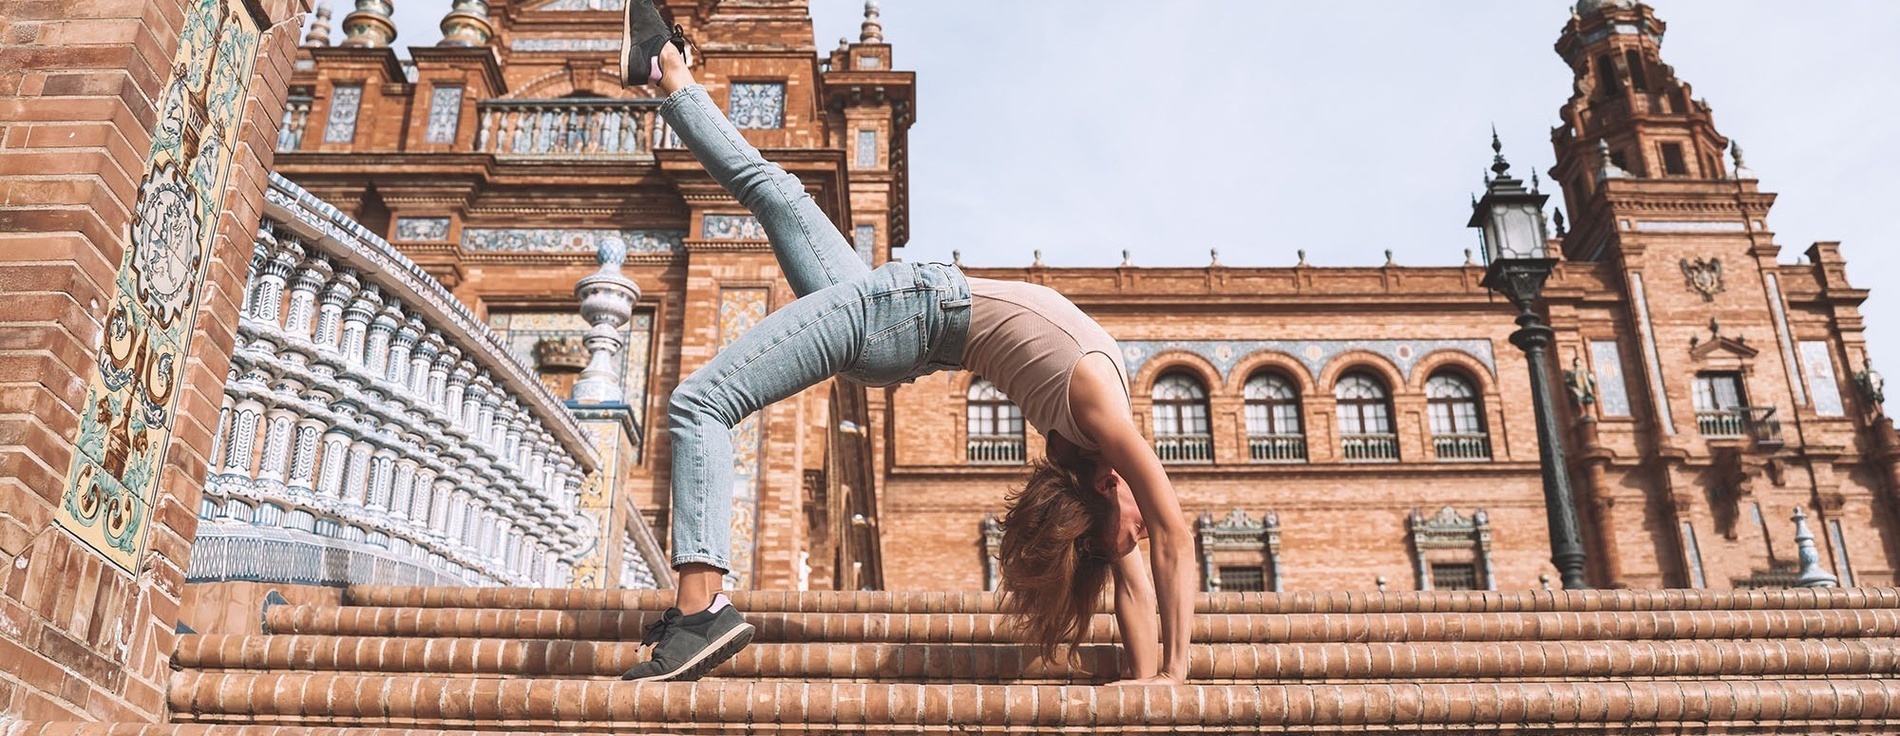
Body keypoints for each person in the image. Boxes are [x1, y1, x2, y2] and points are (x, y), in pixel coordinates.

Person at [617, 0, 1195, 685]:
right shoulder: (1098, 443)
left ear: (1102, 494)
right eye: (1133, 526)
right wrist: (1156, 677)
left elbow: (1171, 540)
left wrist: (1175, 679)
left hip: (903, 313)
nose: (1143, 525)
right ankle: (666, 67)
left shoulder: (1099, 426)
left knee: (700, 403)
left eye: (1126, 528)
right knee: (777, 194)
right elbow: (1137, 565)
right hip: (901, 318)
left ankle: (701, 609)